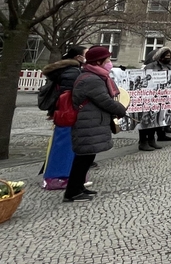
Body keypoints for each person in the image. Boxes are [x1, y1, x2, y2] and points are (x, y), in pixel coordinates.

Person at [64, 46, 127, 202]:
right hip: (87, 123)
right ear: (98, 61)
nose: (110, 62)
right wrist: (120, 109)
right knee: (83, 158)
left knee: (87, 156)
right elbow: (104, 100)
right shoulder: (91, 79)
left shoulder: (95, 76)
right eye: (107, 60)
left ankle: (79, 187)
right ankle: (72, 192)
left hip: (92, 121)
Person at [39, 45, 86, 189]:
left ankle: (63, 174)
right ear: (78, 57)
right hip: (68, 112)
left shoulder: (68, 70)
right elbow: (69, 95)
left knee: (65, 142)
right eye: (86, 54)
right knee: (64, 143)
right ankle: (58, 176)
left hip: (64, 112)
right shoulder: (72, 72)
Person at [137, 46, 171, 151]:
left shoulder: (170, 67)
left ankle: (152, 140)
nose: (168, 57)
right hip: (149, 97)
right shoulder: (150, 66)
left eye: (169, 55)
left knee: (156, 120)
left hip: (162, 97)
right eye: (166, 55)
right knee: (146, 119)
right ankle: (143, 141)